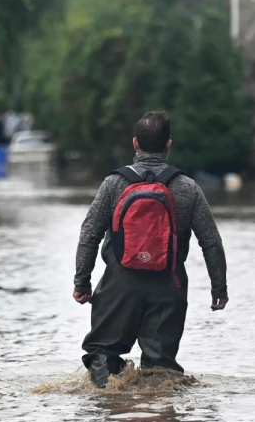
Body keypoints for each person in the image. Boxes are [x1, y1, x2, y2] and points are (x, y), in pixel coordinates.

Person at [73, 110, 229, 387]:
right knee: (161, 373)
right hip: (167, 287)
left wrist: (82, 282)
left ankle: (108, 413)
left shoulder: (113, 184)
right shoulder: (188, 188)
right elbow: (211, 242)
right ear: (168, 145)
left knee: (102, 355)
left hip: (119, 286)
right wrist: (219, 289)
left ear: (135, 143)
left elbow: (90, 233)